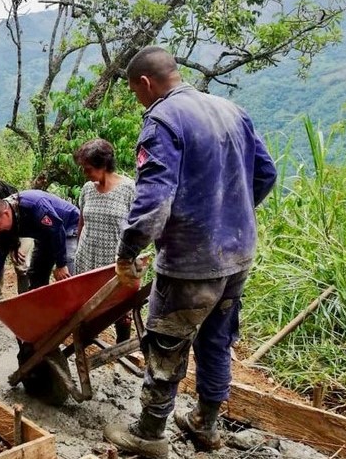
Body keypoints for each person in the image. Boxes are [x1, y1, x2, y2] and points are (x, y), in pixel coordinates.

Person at [103, 46, 277, 459]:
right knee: (217, 340)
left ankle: (148, 434)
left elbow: (152, 205)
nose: (138, 100)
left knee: (166, 343)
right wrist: (231, 214)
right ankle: (206, 424)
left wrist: (127, 253)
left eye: (134, 92)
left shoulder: (163, 121)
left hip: (190, 263)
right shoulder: (231, 109)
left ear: (145, 83)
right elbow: (266, 173)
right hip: (237, 255)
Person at [73, 138, 136, 342]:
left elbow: (136, 229)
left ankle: (122, 349)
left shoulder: (129, 189)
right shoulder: (87, 189)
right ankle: (88, 338)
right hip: (87, 257)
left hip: (114, 260)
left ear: (105, 165)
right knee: (87, 305)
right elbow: (81, 223)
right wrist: (77, 250)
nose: (85, 173)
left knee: (119, 310)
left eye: (88, 168)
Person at [0, 190, 80, 303]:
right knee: (36, 276)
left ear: (6, 213)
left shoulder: (34, 205)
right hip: (45, 235)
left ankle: (74, 307)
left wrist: (61, 264)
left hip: (69, 226)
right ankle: (40, 310)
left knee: (67, 274)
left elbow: (57, 230)